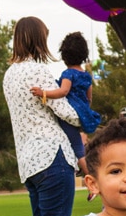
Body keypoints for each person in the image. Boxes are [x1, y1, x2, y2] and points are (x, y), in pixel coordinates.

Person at [3, 16, 84, 216]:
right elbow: (67, 113)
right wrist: (85, 106)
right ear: (38, 38)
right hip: (52, 154)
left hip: (29, 162)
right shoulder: (38, 70)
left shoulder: (10, 75)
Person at [31, 30, 100, 195]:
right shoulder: (86, 75)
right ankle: (84, 175)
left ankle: (93, 183)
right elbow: (89, 97)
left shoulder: (68, 74)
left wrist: (44, 93)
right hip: (81, 113)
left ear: (64, 56)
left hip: (69, 115)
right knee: (75, 145)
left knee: (77, 149)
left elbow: (63, 91)